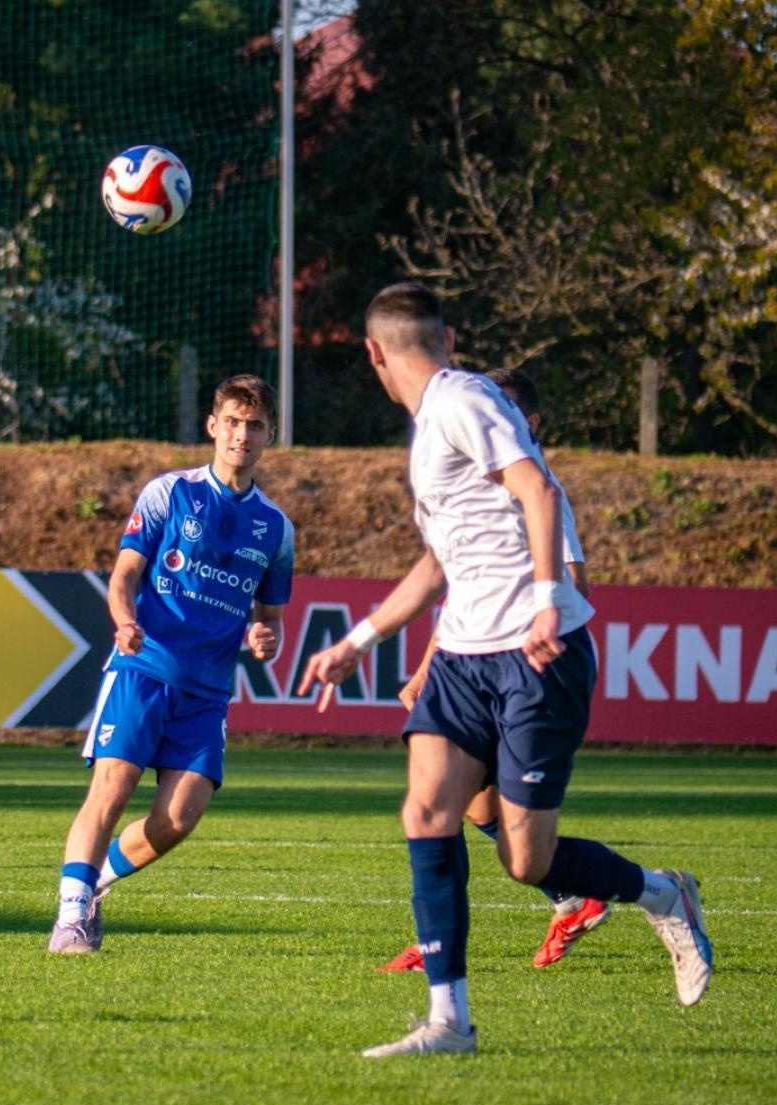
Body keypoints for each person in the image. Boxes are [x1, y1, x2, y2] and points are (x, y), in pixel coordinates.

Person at [299, 283, 712, 1056]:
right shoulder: (430, 433)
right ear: (447, 335)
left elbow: (538, 489)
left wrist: (550, 601)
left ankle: (664, 894)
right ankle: (448, 1020)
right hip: (462, 655)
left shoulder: (462, 401)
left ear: (374, 353)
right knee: (427, 812)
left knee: (528, 861)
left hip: (534, 656)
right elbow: (437, 564)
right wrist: (360, 639)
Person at [48, 374, 294, 954]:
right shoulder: (169, 493)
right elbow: (124, 576)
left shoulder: (276, 528)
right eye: (232, 422)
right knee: (111, 790)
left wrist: (266, 637)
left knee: (178, 819)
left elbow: (271, 619)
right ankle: (69, 919)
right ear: (212, 426)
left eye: (254, 425)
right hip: (144, 668)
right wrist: (125, 620)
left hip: (207, 693)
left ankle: (94, 887)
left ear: (270, 436)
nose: (241, 435)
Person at [378, 366, 607, 973]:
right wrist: (430, 665)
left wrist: (547, 615)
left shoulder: (536, 489)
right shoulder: (478, 491)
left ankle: (448, 942)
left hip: (521, 669)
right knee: (464, 808)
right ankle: (561, 899)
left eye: (502, 411)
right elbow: (458, 587)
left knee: (464, 815)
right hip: (473, 662)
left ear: (526, 423)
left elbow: (571, 579)